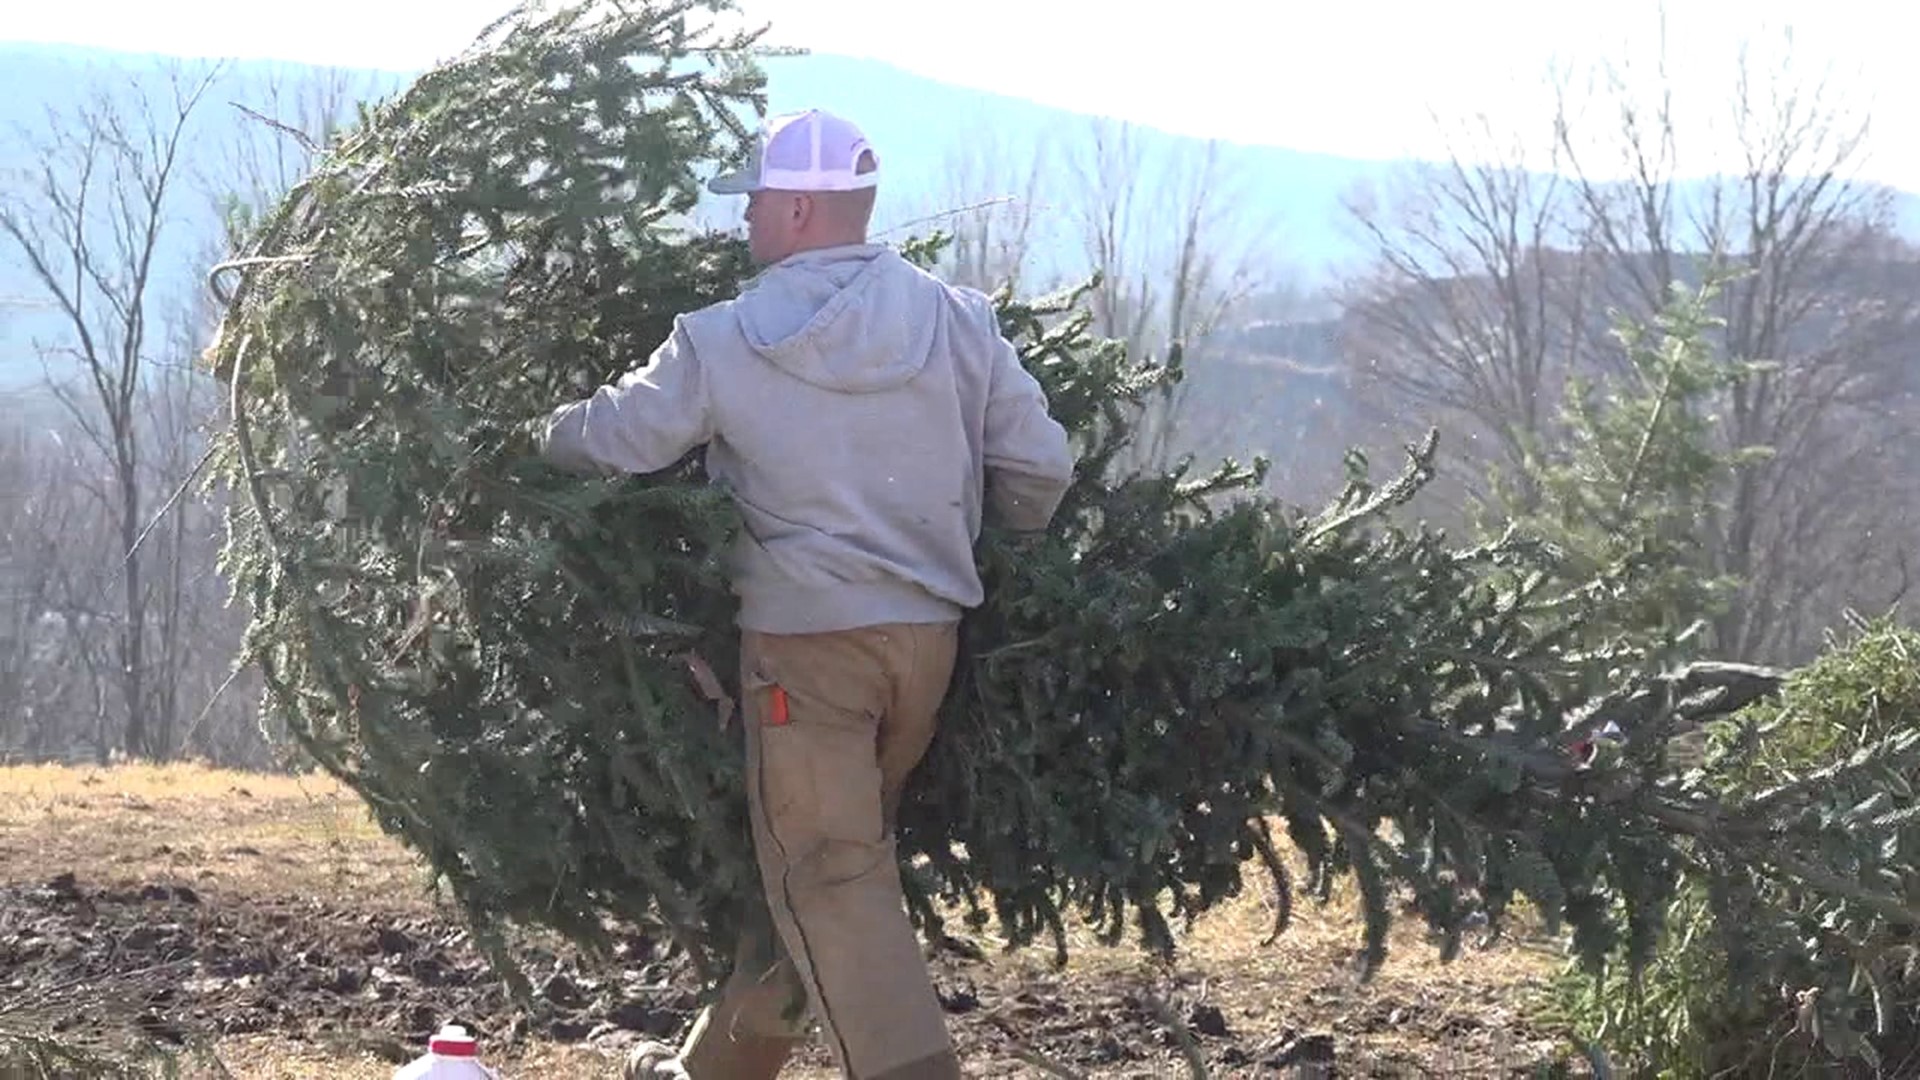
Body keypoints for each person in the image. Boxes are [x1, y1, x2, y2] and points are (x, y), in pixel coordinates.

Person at [534, 108, 1075, 1080]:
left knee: (828, 874)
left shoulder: (726, 340)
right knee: (825, 867)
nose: (743, 225)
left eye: (752, 207)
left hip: (808, 654)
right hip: (925, 648)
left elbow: (621, 438)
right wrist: (1001, 553)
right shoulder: (959, 322)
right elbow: (1039, 465)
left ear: (794, 207)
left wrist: (528, 440)